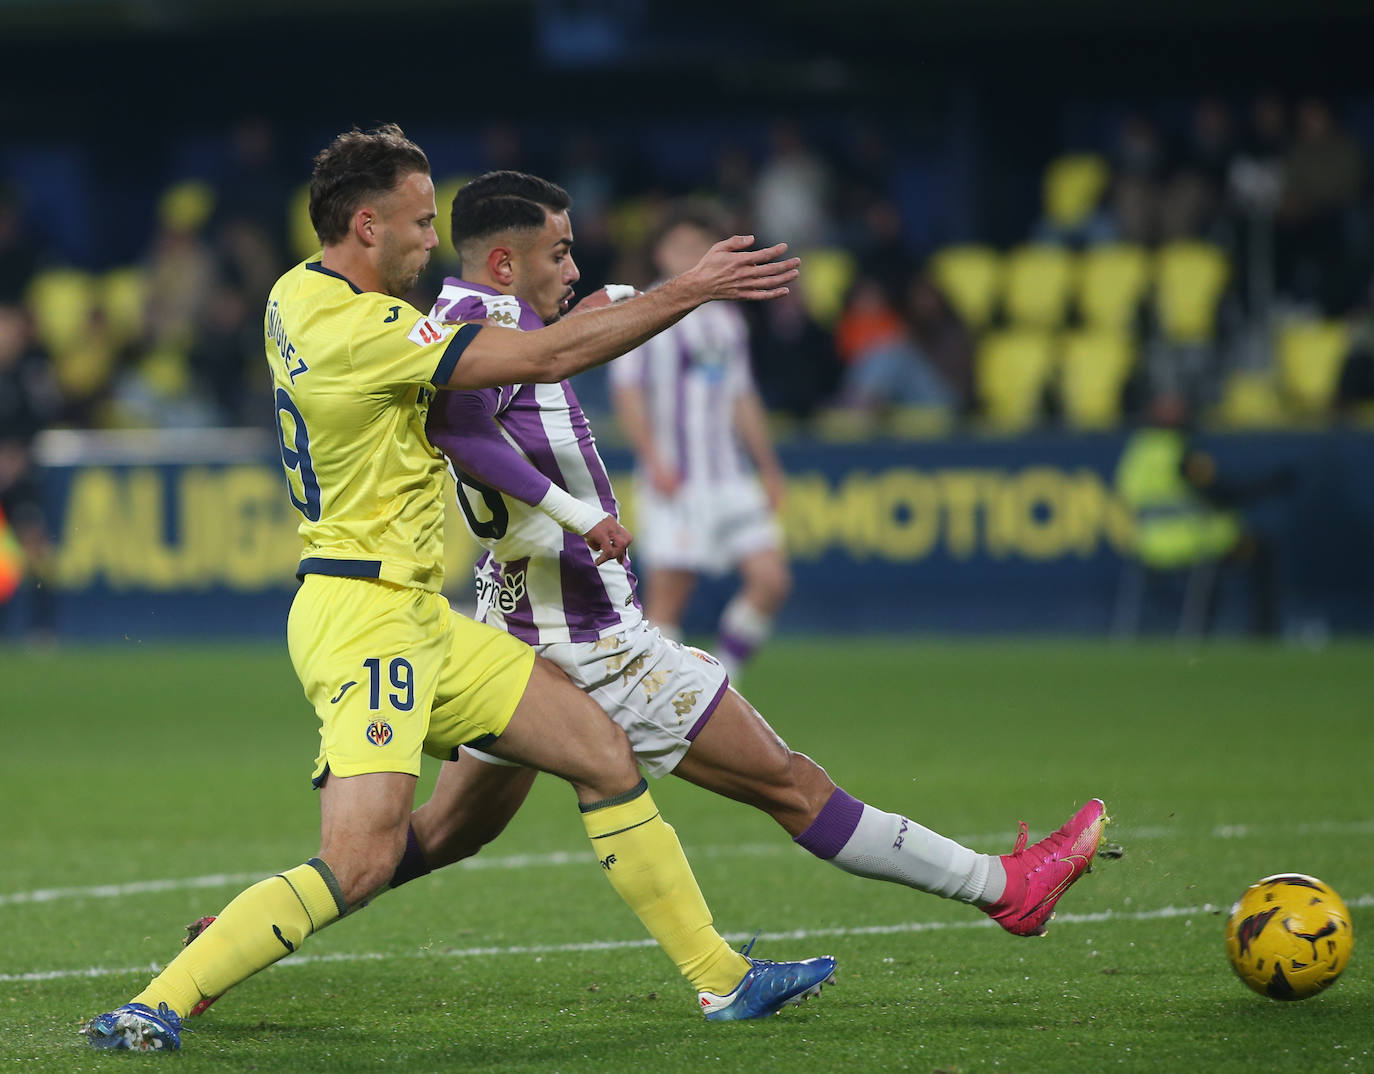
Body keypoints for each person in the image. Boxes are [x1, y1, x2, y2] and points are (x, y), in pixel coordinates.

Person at [201, 171, 1102, 995]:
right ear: (507, 261)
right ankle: (1003, 888)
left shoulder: (468, 319)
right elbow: (464, 427)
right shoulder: (491, 333)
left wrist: (607, 308)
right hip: (590, 644)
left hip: (513, 629)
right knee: (792, 786)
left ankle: (260, 923)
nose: (575, 265)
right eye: (559, 252)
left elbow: (526, 366)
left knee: (440, 835)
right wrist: (576, 505)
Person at [81, 125, 833, 1052]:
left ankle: (723, 982)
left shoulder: (295, 294)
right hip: (365, 623)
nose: (432, 241)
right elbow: (541, 362)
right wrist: (691, 290)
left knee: (600, 753)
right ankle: (157, 1003)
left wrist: (572, 307)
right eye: (418, 221)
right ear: (366, 224)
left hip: (421, 617)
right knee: (359, 861)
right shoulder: (363, 330)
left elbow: (504, 349)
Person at [609, 204, 792, 682]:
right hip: (675, 476)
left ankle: (722, 680)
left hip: (729, 476)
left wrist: (768, 467)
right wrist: (652, 459)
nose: (690, 256)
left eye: (698, 247)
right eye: (681, 247)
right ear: (660, 253)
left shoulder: (725, 321)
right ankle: (654, 698)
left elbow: (742, 398)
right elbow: (627, 392)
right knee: (670, 599)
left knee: (771, 580)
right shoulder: (645, 310)